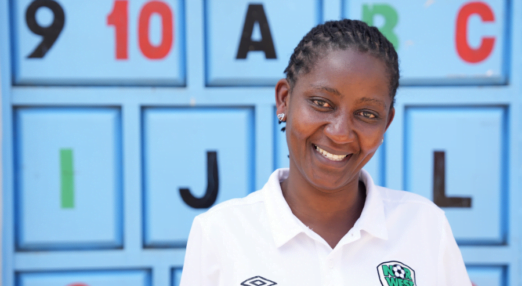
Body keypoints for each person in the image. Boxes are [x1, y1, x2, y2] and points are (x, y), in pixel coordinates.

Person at [180, 19, 471, 286]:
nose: (340, 132)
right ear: (284, 100)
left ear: (386, 123)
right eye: (321, 103)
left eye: (367, 113)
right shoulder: (218, 234)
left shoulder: (425, 226)